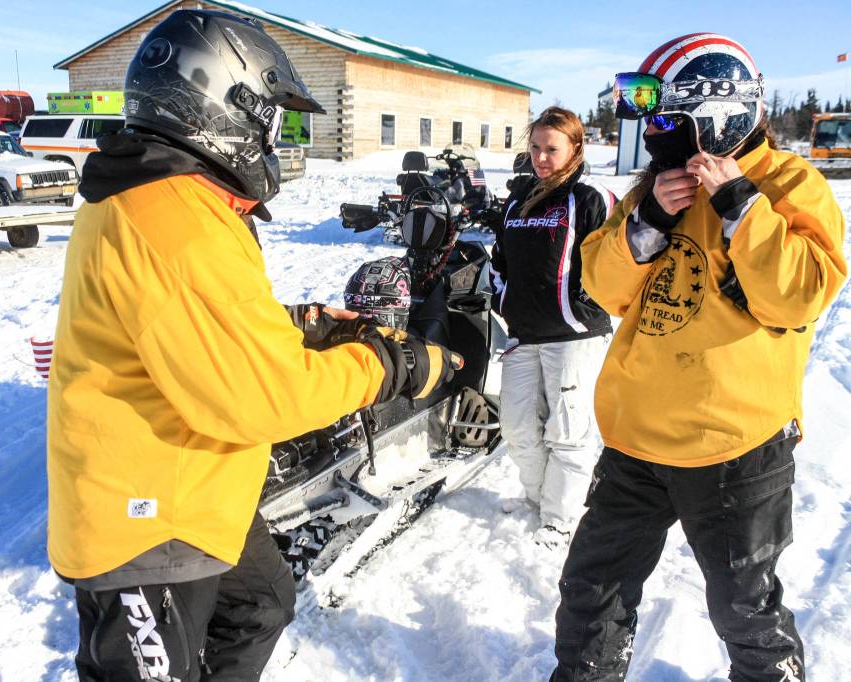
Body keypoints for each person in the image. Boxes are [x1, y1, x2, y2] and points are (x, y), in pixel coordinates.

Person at [45, 10, 459, 682]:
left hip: (201, 489)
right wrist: (389, 364)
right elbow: (264, 399)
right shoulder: (173, 215)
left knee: (261, 604)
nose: (273, 133)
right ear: (226, 103)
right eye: (270, 115)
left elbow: (183, 318)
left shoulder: (161, 193)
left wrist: (299, 325)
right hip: (149, 516)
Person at [551, 34, 847, 681]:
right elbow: (603, 287)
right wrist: (646, 221)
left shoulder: (788, 183)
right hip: (637, 442)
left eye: (667, 121)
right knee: (591, 593)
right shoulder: (657, 185)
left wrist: (741, 205)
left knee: (745, 611)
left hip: (734, 449)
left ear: (718, 117)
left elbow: (799, 293)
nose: (654, 135)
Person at [488, 106, 615, 545]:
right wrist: (505, 299)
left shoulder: (592, 196)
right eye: (537, 147)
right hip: (524, 333)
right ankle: (537, 499)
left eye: (553, 149)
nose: (543, 157)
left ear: (576, 149)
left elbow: (614, 263)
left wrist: (581, 305)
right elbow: (500, 260)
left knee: (567, 431)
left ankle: (559, 519)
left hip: (573, 335)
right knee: (519, 426)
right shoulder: (518, 199)